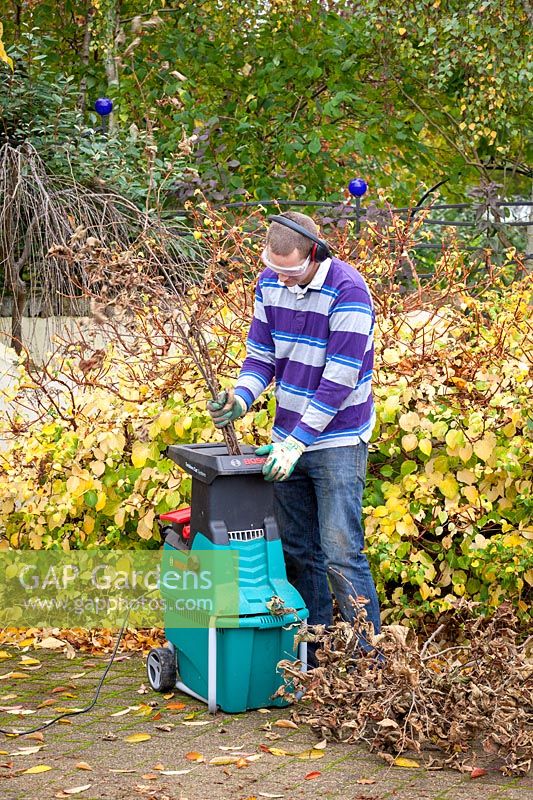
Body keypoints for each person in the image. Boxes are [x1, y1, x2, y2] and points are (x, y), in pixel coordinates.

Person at [207, 211, 380, 652]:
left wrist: (298, 442)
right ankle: (313, 655)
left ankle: (374, 664)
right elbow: (261, 356)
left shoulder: (349, 292)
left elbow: (339, 380)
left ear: (315, 255)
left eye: (290, 272)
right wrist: (240, 399)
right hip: (288, 436)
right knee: (300, 552)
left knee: (342, 553)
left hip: (339, 438)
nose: (281, 280)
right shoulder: (269, 283)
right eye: (274, 269)